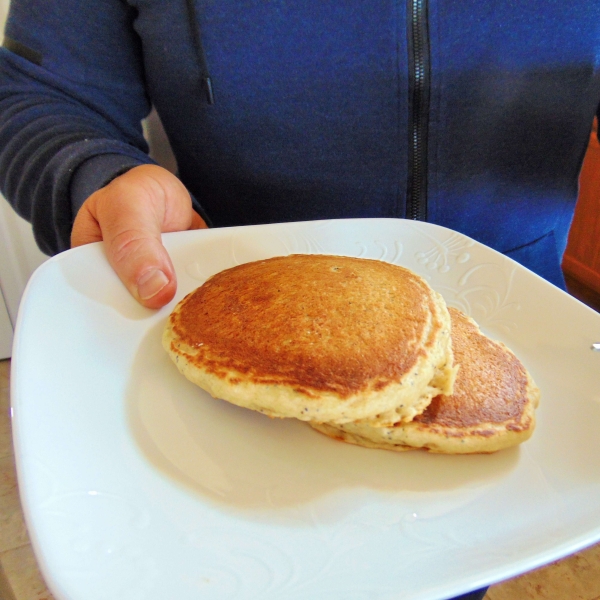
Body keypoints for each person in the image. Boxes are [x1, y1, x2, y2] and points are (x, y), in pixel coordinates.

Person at [1, 1, 599, 599]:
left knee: (449, 574)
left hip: (512, 338)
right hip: (231, 358)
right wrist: (91, 172)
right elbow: (39, 89)